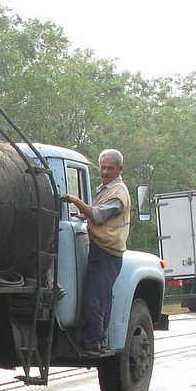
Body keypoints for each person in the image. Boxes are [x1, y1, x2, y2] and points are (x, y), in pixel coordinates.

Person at [60, 149, 132, 353]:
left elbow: (99, 216)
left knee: (95, 297)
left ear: (119, 169)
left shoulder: (118, 192)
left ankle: (92, 342)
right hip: (104, 249)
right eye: (103, 167)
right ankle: (98, 339)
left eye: (110, 168)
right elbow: (101, 215)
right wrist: (86, 215)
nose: (105, 172)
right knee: (102, 297)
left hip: (107, 251)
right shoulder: (108, 189)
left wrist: (75, 200)